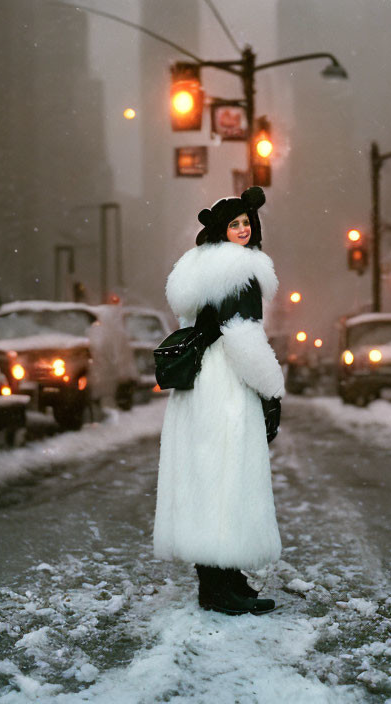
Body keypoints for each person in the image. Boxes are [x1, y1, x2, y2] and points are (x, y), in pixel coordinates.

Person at [154, 186, 285, 616]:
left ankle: (224, 577)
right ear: (220, 230)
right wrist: (270, 389)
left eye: (247, 222)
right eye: (236, 224)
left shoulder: (197, 268)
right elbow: (241, 336)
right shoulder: (239, 270)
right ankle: (215, 588)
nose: (244, 229)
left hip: (199, 385)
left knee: (207, 479)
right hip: (226, 384)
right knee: (224, 479)